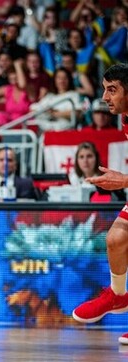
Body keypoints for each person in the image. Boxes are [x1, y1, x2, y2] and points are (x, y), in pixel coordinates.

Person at [72, 64, 128, 344]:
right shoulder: (125, 118)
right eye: (105, 89)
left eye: (112, 90)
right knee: (116, 238)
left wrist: (124, 180)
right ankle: (118, 295)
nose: (105, 97)